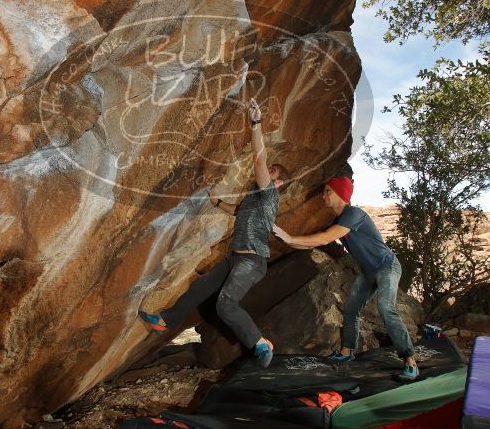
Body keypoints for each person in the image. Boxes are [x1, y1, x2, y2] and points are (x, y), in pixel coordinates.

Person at [139, 99, 291, 369]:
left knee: (226, 303)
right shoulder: (255, 198)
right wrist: (217, 201)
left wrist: (256, 124)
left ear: (278, 183)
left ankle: (259, 342)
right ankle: (166, 322)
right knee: (201, 287)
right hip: (236, 259)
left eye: (273, 172)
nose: (268, 172)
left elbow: (259, 160)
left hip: (252, 261)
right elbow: (238, 210)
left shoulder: (269, 196)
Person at [273, 176, 419, 381]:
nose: (323, 196)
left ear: (341, 194)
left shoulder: (354, 214)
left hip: (387, 266)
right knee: (351, 310)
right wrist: (286, 239)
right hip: (368, 272)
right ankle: (346, 352)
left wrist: (290, 238)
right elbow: (310, 244)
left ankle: (410, 360)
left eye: (328, 191)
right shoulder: (338, 221)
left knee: (386, 307)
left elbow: (325, 238)